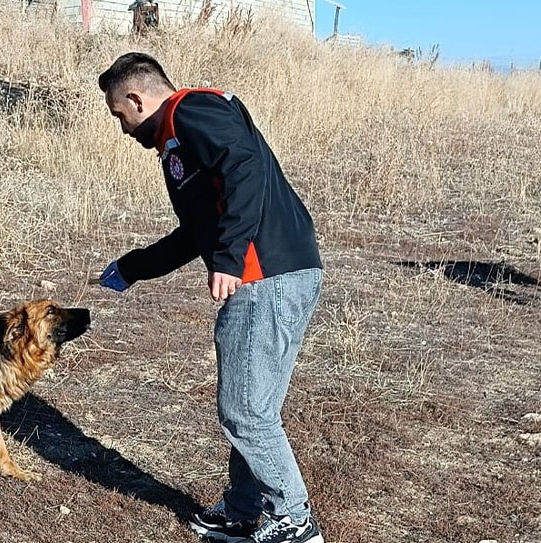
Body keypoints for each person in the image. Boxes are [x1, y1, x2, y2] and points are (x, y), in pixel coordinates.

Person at [95, 52, 325, 543]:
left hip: (264, 276)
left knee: (244, 410)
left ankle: (295, 521)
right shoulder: (181, 138)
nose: (122, 128)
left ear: (136, 98)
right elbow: (196, 230)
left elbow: (245, 164)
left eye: (120, 114)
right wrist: (134, 267)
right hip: (286, 270)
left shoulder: (190, 110)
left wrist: (229, 258)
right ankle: (244, 511)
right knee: (255, 405)